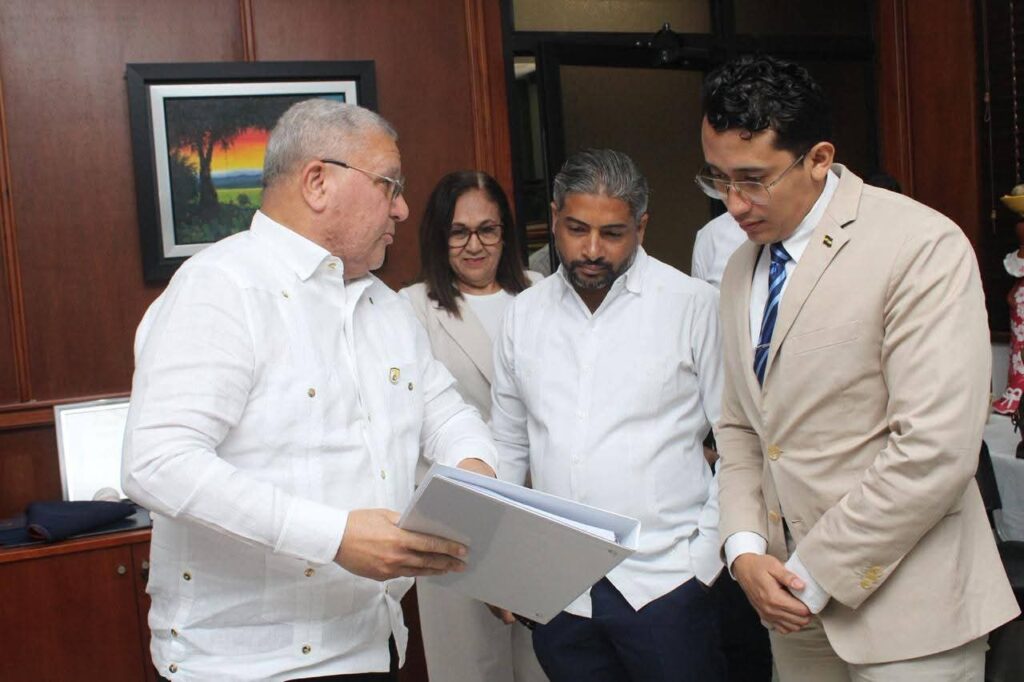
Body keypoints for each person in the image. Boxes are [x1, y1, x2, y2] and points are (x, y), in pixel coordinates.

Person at [121, 99, 499, 682]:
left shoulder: (386, 309)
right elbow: (156, 463)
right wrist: (336, 537)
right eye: (389, 185)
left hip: (375, 644)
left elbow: (448, 415)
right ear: (318, 182)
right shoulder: (221, 288)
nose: (401, 208)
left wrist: (473, 476)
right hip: (250, 666)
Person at [701, 54, 1019, 681]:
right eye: (717, 179)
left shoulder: (919, 245)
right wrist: (743, 549)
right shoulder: (741, 267)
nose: (733, 205)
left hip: (911, 612)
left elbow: (934, 449)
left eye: (752, 180)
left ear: (819, 158)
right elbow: (740, 427)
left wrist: (814, 571)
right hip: (789, 607)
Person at [490, 148, 725, 682]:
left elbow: (738, 443)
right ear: (554, 218)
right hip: (559, 590)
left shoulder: (692, 305)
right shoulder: (523, 315)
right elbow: (508, 446)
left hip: (666, 584)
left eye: (613, 233)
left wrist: (704, 563)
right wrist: (505, 568)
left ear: (641, 227)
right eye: (576, 229)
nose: (592, 250)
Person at [399, 170, 547, 682]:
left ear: (506, 232)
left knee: (545, 663)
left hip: (539, 509)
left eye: (487, 229)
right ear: (438, 236)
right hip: (455, 521)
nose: (475, 245)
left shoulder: (541, 293)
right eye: (458, 232)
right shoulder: (411, 307)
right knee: (469, 667)